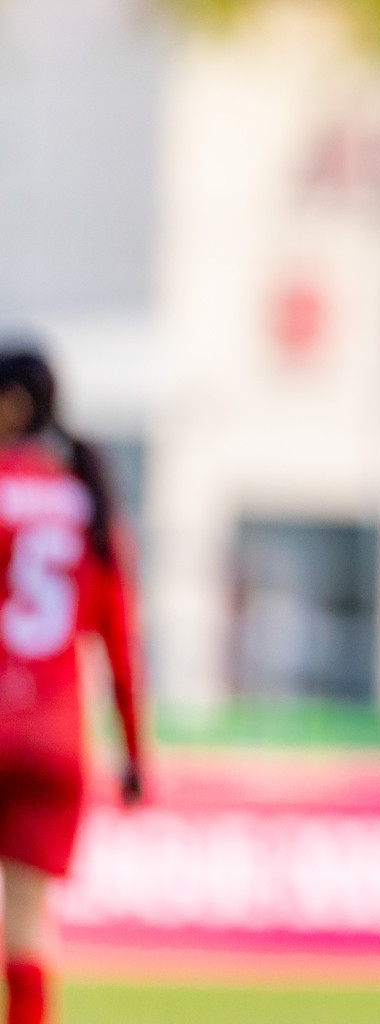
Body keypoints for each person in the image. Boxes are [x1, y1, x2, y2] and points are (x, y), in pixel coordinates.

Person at [0, 346, 143, 1024]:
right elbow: (120, 647)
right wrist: (135, 755)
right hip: (54, 744)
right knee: (26, 931)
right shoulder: (89, 501)